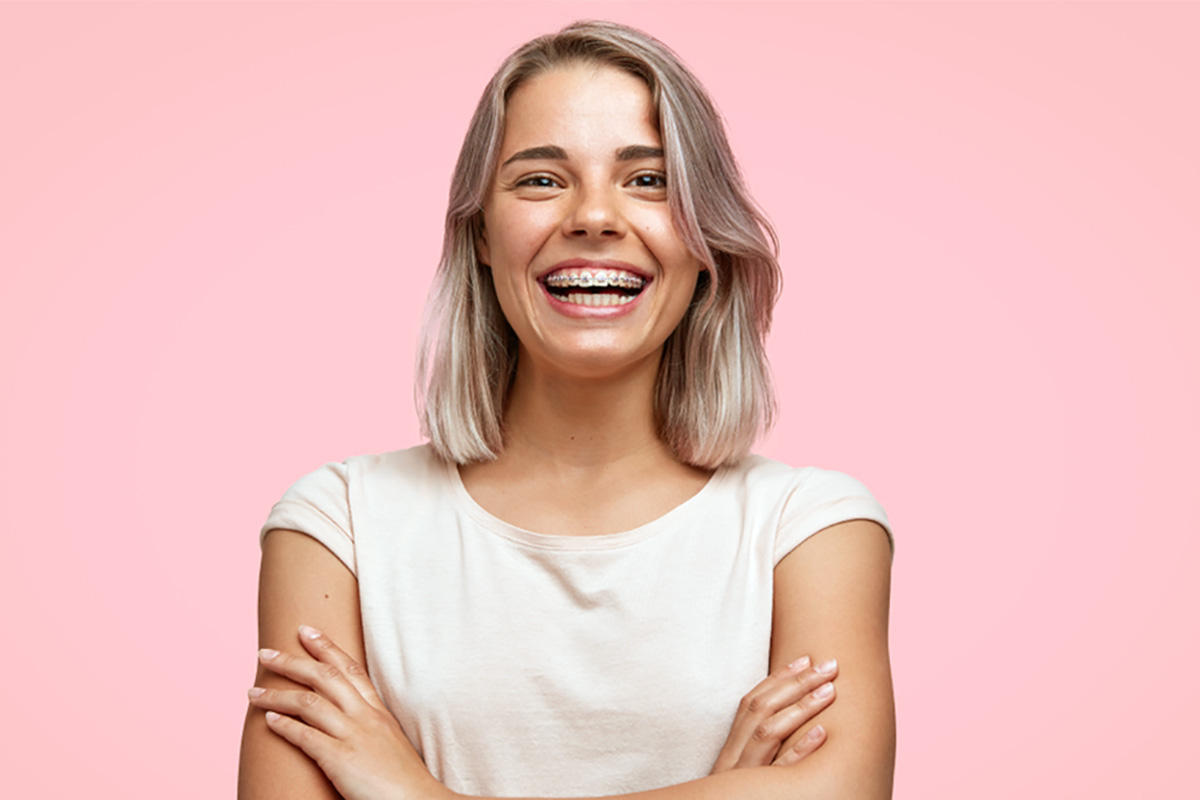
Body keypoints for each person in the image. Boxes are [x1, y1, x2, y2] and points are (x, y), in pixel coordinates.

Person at [238, 20, 895, 800]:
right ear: (481, 231)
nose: (594, 217)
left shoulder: (812, 530)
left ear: (705, 239)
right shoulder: (338, 525)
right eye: (541, 180)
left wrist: (412, 792)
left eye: (648, 180)